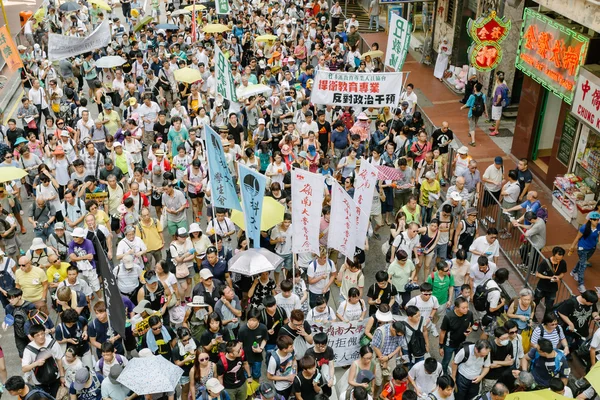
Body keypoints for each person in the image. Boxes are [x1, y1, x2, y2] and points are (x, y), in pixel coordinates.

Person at [22, 324, 66, 397]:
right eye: (37, 335)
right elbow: (24, 369)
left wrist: (62, 376)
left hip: (55, 378)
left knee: (57, 397)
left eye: (42, 333)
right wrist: (36, 363)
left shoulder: (52, 343)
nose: (41, 337)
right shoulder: (28, 350)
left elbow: (59, 360)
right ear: (33, 337)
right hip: (39, 382)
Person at [439, 297, 473, 374]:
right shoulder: (448, 317)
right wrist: (441, 346)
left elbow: (470, 325)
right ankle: (443, 373)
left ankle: (455, 374)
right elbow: (442, 332)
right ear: (456, 308)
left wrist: (469, 331)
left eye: (467, 307)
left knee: (458, 360)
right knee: (446, 361)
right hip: (449, 344)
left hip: (461, 343)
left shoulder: (469, 314)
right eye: (463, 308)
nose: (466, 309)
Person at [568, 211, 600, 292]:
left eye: (598, 220)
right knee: (583, 265)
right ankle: (581, 285)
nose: (597, 221)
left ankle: (574, 271)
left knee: (583, 261)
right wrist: (572, 247)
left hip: (592, 248)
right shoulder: (584, 228)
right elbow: (577, 238)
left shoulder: (599, 227)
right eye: (595, 220)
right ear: (590, 220)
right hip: (582, 249)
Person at [371, 320, 405, 395]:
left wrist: (388, 357)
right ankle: (375, 395)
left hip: (391, 358)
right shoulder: (381, 331)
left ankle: (383, 394)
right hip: (379, 358)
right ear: (393, 329)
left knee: (388, 379)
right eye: (398, 335)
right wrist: (383, 361)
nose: (398, 337)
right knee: (378, 382)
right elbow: (375, 347)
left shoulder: (399, 333)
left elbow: (399, 346)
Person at [533, 246, 566, 314]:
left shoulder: (563, 263)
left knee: (549, 306)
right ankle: (532, 316)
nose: (558, 261)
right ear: (553, 255)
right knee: (535, 302)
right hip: (541, 287)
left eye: (560, 259)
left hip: (552, 289)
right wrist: (548, 277)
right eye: (556, 259)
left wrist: (558, 277)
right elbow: (537, 274)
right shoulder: (545, 262)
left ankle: (546, 320)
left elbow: (563, 273)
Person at [460, 82, 487, 147]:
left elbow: (467, 104)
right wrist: (486, 112)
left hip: (472, 112)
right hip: (479, 112)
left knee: (472, 126)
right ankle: (470, 132)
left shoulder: (472, 96)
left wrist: (462, 107)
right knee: (474, 123)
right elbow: (484, 104)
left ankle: (473, 141)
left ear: (475, 88)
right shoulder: (483, 95)